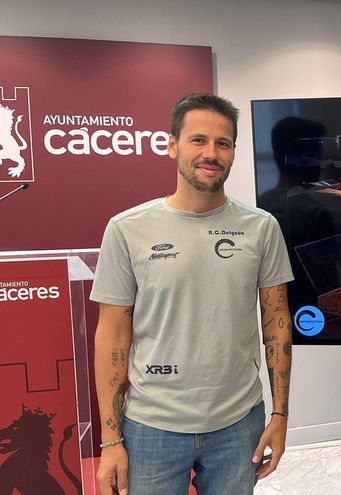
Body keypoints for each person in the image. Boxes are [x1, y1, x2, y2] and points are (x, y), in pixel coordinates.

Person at [90, 93, 294, 495]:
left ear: (234, 151)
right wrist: (111, 440)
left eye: (223, 143)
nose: (211, 153)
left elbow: (277, 323)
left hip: (239, 425)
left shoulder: (261, 227)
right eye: (198, 140)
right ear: (171, 145)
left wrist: (280, 413)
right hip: (151, 428)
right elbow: (112, 335)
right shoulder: (127, 229)